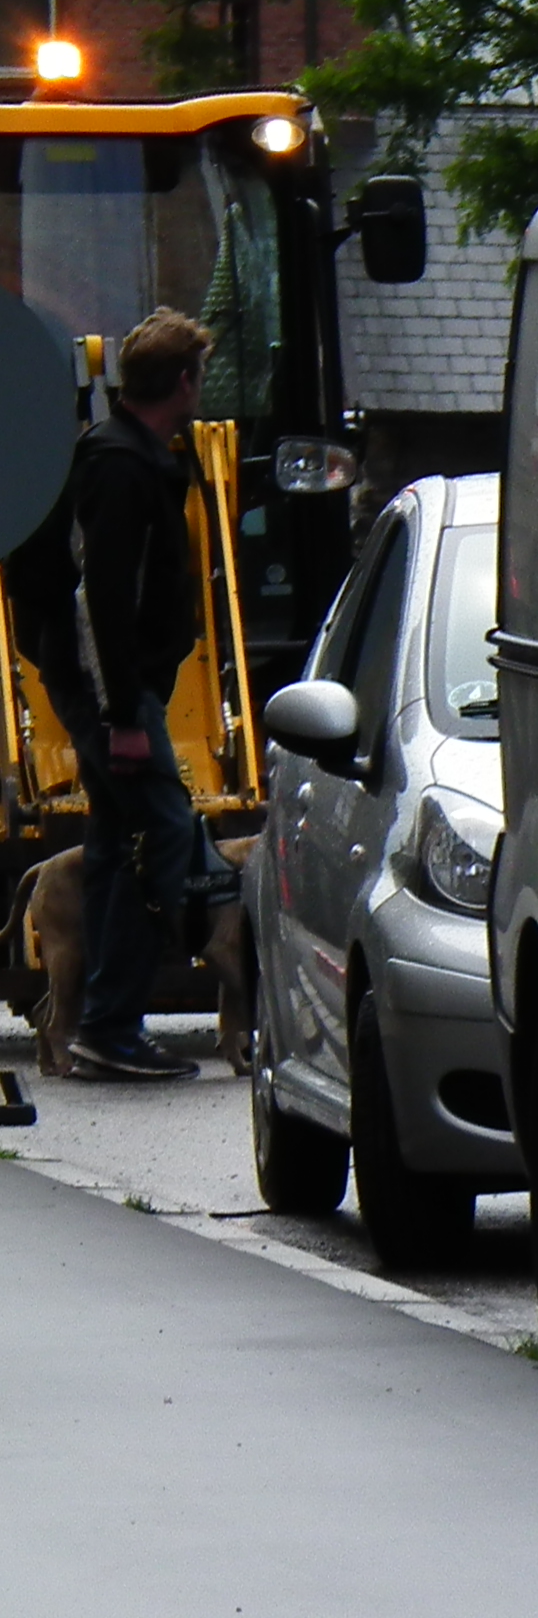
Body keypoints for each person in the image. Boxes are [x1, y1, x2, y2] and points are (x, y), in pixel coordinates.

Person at [7, 307, 212, 1079]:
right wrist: (124, 714)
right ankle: (113, 1024)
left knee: (113, 840)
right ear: (184, 382)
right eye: (200, 376)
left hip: (103, 685)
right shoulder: (121, 469)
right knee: (165, 829)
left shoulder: (123, 456)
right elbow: (103, 600)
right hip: (108, 693)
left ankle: (102, 1025)